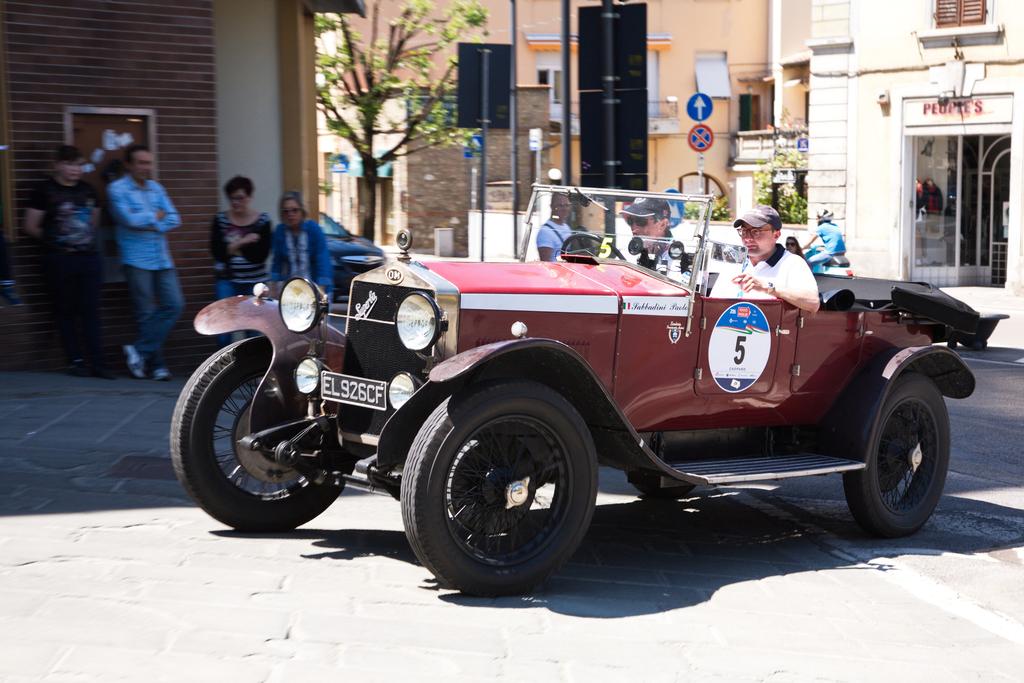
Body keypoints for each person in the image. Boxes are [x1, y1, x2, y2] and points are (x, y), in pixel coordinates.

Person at [23, 145, 113, 377]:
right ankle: (75, 360)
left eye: (79, 164)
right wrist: (57, 240)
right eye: (70, 164)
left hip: (88, 259)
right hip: (59, 260)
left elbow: (93, 223)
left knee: (91, 311)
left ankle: (98, 363)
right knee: (66, 310)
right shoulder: (43, 190)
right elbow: (30, 226)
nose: (75, 169)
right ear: (57, 164)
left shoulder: (88, 190)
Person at [108, 144, 183, 381]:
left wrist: (152, 222)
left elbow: (174, 218)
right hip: (136, 258)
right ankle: (157, 366)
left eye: (148, 162)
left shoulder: (156, 188)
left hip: (162, 258)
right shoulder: (117, 189)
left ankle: (138, 351)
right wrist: (156, 217)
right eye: (141, 163)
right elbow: (128, 219)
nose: (146, 167)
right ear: (129, 165)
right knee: (146, 313)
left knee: (175, 304)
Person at [210, 175, 272, 347]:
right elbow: (218, 253)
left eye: (240, 198)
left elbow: (260, 255)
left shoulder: (262, 221)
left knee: (253, 330)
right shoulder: (220, 220)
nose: (235, 202)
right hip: (227, 281)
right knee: (223, 329)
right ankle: (223, 369)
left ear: (249, 197)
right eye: (231, 198)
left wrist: (231, 247)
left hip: (255, 283)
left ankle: (250, 368)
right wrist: (244, 241)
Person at [730, 205, 819, 314]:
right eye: (744, 231)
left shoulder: (793, 263)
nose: (748, 238)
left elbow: (813, 302)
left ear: (776, 234)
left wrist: (768, 288)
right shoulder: (734, 263)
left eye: (756, 231)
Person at [271, 191, 332, 298]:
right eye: (286, 211)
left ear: (302, 211)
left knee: (318, 313)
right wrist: (274, 285)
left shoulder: (313, 229)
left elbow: (323, 260)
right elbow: (277, 262)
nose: (290, 214)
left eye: (295, 210)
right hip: (293, 288)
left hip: (316, 285)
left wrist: (321, 291)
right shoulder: (280, 231)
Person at [536, 193, 573, 262]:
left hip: (568, 269)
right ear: (552, 207)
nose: (564, 209)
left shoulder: (566, 227)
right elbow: (545, 262)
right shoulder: (545, 232)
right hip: (555, 271)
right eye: (560, 205)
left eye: (567, 205)